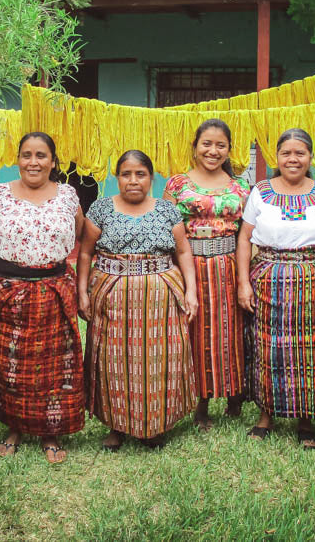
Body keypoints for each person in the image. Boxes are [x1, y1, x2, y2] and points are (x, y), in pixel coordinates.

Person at [78, 150, 199, 451]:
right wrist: (82, 291)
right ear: (117, 177)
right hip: (111, 294)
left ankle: (156, 424)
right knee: (112, 359)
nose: (133, 181)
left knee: (159, 359)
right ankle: (115, 425)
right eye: (126, 174)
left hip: (160, 295)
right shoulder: (101, 209)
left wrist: (192, 291)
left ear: (151, 178)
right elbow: (85, 252)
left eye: (140, 174)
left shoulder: (167, 210)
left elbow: (183, 251)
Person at [237, 128, 315, 449]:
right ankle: (266, 415)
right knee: (268, 347)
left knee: (312, 350)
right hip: (269, 278)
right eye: (286, 153)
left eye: (300, 153)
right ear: (277, 157)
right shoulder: (260, 192)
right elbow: (244, 239)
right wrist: (244, 282)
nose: (293, 159)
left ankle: (306, 420)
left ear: (310, 158)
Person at [0, 132, 85, 464]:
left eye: (41, 155)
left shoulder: (68, 196)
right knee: (8, 363)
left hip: (54, 288)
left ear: (53, 161)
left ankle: (49, 432)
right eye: (27, 155)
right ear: (18, 159)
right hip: (7, 288)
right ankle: (13, 428)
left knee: (53, 365)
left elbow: (82, 234)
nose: (33, 162)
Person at [163, 119, 249, 430]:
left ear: (229, 150)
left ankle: (234, 393)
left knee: (229, 331)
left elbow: (245, 235)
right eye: (207, 144)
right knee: (196, 332)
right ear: (196, 146)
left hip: (228, 265)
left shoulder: (240, 186)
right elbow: (167, 230)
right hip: (190, 266)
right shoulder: (177, 185)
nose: (213, 151)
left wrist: (243, 278)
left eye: (220, 145)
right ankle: (200, 401)